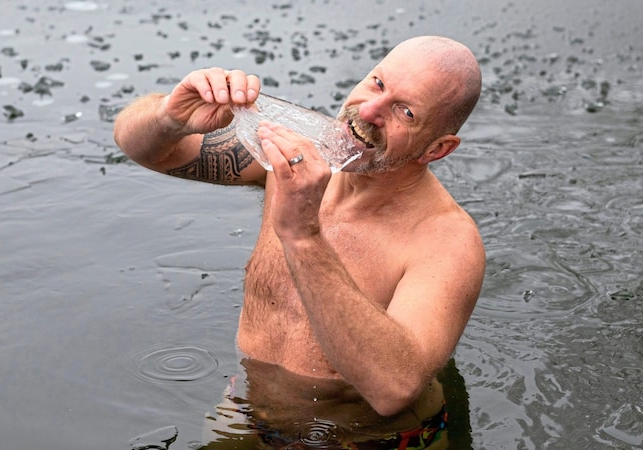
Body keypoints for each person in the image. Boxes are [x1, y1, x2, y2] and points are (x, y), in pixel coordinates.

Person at [114, 35, 485, 448]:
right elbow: (145, 150)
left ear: (437, 148)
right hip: (248, 411)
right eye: (378, 84)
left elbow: (393, 389)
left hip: (372, 438)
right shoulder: (291, 152)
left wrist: (303, 235)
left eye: (406, 111)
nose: (369, 111)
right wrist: (170, 117)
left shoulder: (447, 241)